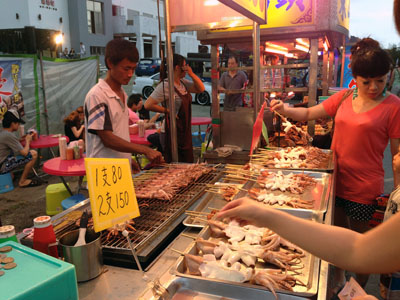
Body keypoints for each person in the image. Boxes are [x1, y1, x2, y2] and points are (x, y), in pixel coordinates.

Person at [271, 37, 400, 290]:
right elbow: (309, 113)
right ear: (357, 77)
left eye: (381, 81)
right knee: (338, 239)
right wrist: (285, 109)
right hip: (334, 181)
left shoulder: (394, 107)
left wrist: (397, 201)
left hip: (365, 189)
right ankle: (339, 283)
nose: (374, 87)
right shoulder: (344, 98)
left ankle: (359, 289)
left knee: (365, 247)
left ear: (389, 77)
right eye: (367, 82)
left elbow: (397, 157)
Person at [84, 38, 163, 171]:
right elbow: (107, 138)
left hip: (120, 169)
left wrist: (127, 158)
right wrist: (144, 150)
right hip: (103, 171)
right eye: (126, 68)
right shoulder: (97, 95)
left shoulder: (121, 94)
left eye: (133, 69)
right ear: (110, 63)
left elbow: (119, 132)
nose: (130, 74)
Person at [144, 54, 205, 163]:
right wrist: (168, 111)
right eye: (185, 66)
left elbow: (201, 88)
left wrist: (191, 73)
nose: (187, 69)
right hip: (171, 132)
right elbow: (148, 104)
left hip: (184, 131)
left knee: (187, 164)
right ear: (177, 68)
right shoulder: (166, 85)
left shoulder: (182, 83)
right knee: (175, 166)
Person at [0, 110, 40, 187]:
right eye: (18, 123)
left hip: (2, 162)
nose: (18, 125)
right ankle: (23, 181)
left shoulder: (3, 133)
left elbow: (10, 143)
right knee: (33, 154)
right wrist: (27, 141)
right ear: (12, 123)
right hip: (2, 166)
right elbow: (25, 153)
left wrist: (20, 140)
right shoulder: (9, 135)